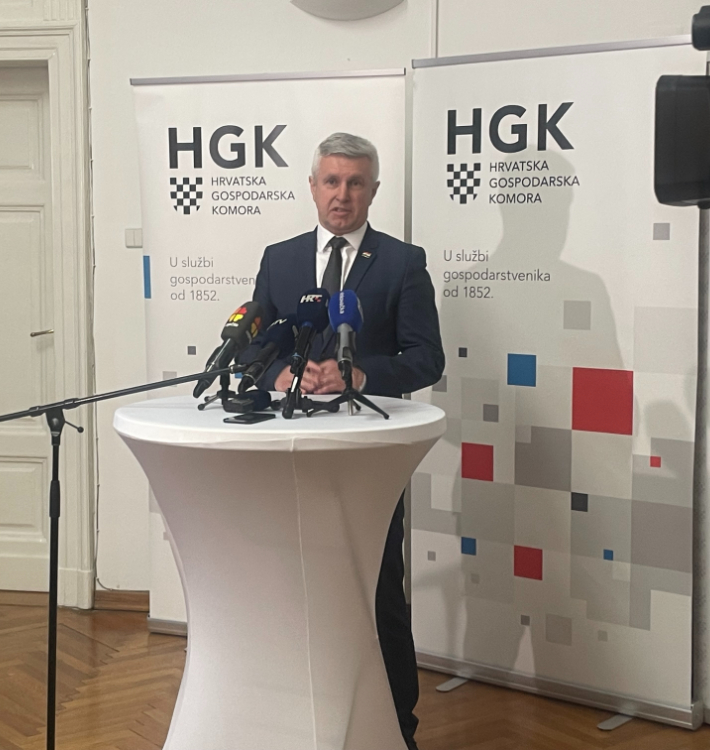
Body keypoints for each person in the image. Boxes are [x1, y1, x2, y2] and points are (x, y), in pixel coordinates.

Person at [243, 132, 445, 750]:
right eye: (331, 181)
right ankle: (304, 721)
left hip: (369, 458)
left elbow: (427, 358)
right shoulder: (279, 260)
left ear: (373, 191)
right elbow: (255, 347)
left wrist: (361, 375)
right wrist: (278, 375)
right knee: (294, 589)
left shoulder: (402, 262)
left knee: (378, 591)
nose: (342, 194)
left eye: (355, 183)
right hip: (289, 452)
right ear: (312, 187)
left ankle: (397, 729)